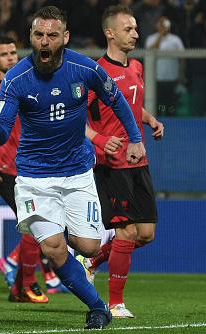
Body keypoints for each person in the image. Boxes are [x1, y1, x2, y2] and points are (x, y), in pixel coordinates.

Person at [0, 6, 145, 330]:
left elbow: (116, 100)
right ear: (31, 36)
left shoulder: (83, 68)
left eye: (52, 35)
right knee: (55, 249)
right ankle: (98, 307)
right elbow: (0, 137)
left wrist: (136, 139)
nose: (44, 41)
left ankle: (62, 234)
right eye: (38, 34)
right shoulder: (16, 79)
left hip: (77, 173)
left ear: (65, 37)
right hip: (33, 177)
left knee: (89, 246)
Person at [0, 37, 70, 303]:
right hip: (8, 172)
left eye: (13, 52)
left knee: (45, 225)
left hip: (35, 167)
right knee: (37, 225)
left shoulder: (26, 82)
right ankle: (26, 280)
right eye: (4, 54)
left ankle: (16, 271)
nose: (10, 57)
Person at [77, 4, 164, 319]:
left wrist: (150, 119)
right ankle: (115, 303)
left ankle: (92, 261)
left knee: (145, 234)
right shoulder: (94, 73)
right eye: (129, 29)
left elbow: (130, 105)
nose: (136, 34)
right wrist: (99, 140)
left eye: (136, 28)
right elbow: (76, 119)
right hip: (110, 163)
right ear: (110, 33)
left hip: (138, 159)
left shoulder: (137, 67)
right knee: (125, 233)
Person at [145, 16, 185, 117]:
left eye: (165, 24)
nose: (163, 26)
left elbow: (182, 59)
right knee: (159, 106)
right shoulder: (151, 39)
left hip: (172, 78)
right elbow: (150, 51)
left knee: (171, 107)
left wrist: (181, 77)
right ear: (156, 25)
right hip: (157, 79)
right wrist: (160, 35)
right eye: (160, 23)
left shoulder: (176, 40)